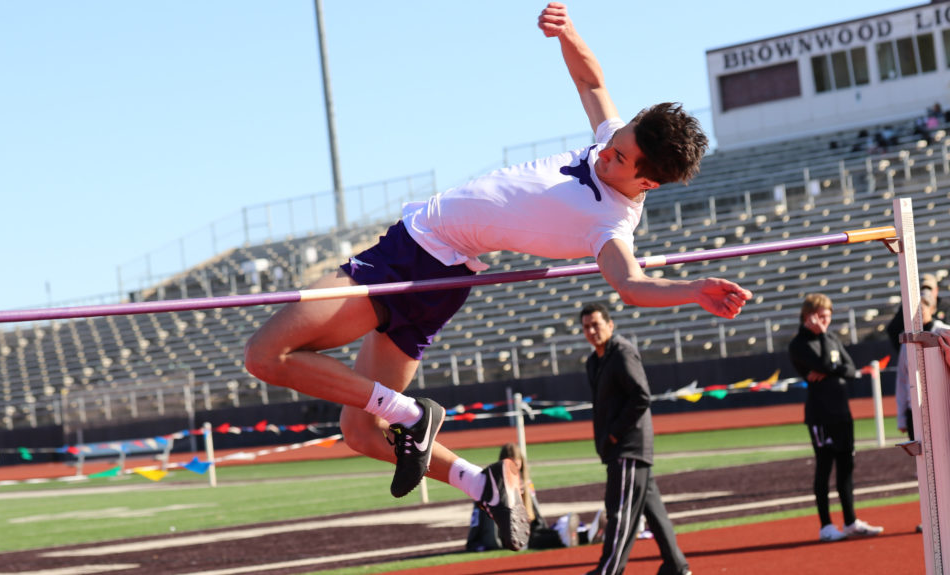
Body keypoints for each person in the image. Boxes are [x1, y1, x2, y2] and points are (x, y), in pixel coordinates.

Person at [243, 1, 750, 552]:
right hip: (441, 276)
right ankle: (480, 482)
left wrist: (693, 289)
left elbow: (629, 284)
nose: (607, 151)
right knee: (361, 431)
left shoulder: (611, 223)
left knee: (266, 356)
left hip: (416, 257)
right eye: (616, 140)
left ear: (646, 182)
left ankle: (411, 414)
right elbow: (590, 79)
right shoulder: (614, 142)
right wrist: (569, 33)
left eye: (620, 157)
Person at [580, 302, 691, 575]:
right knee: (653, 511)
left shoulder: (622, 353)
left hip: (629, 446)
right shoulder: (594, 361)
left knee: (621, 513)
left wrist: (616, 433)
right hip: (617, 448)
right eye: (586, 327)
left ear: (610, 325)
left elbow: (641, 396)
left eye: (596, 324)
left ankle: (609, 570)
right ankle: (677, 567)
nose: (592, 331)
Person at [788, 293, 884, 542]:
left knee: (846, 468)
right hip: (821, 416)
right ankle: (826, 526)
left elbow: (850, 370)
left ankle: (851, 521)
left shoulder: (831, 337)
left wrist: (831, 368)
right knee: (824, 469)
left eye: (828, 317)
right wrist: (823, 346)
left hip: (843, 413)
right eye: (821, 317)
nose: (825, 321)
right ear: (808, 317)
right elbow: (825, 364)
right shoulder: (799, 344)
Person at [465, 443, 597, 552]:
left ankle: (588, 535)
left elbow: (535, 517)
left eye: (518, 464)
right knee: (536, 539)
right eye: (512, 466)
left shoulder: (525, 483)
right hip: (508, 534)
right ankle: (569, 537)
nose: (516, 469)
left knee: (543, 534)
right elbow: (487, 521)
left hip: (527, 528)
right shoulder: (493, 486)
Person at [896, 288, 950, 441]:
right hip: (914, 409)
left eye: (923, 306)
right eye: (915, 308)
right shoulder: (908, 340)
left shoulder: (945, 331)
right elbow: (902, 376)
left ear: (932, 308)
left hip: (940, 406)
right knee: (921, 460)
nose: (918, 311)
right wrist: (901, 416)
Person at [887, 273, 949, 363]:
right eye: (922, 288)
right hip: (918, 359)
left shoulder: (946, 307)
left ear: (936, 290)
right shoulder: (907, 308)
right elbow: (893, 330)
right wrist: (908, 351)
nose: (926, 292)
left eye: (929, 288)